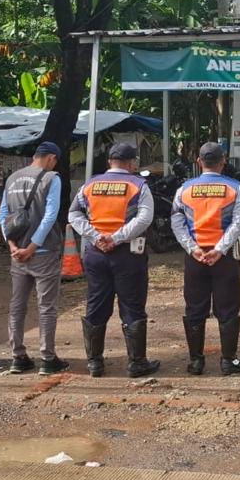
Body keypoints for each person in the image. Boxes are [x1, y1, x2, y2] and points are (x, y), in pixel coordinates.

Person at [67, 142, 158, 378]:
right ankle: (136, 362)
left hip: (96, 254)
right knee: (132, 305)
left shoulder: (90, 184)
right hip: (128, 254)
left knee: (96, 303)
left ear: (109, 162)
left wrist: (96, 236)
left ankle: (95, 363)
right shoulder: (139, 185)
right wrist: (116, 238)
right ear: (132, 163)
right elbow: (144, 218)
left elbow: (73, 213)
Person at [172, 142, 240, 375]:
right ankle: (228, 361)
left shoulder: (184, 189)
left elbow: (177, 221)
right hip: (224, 258)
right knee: (228, 306)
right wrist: (220, 249)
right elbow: (238, 222)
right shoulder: (235, 188)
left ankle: (196, 361)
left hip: (195, 257)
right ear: (223, 161)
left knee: (195, 307)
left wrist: (192, 248)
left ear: (199, 161)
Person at [0, 141, 69, 376]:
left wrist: (12, 245)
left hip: (17, 254)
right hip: (43, 252)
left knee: (17, 305)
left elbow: (3, 214)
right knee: (46, 306)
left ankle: (17, 357)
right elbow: (50, 215)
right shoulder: (51, 178)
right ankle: (48, 359)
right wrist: (32, 246)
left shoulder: (12, 179)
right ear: (50, 158)